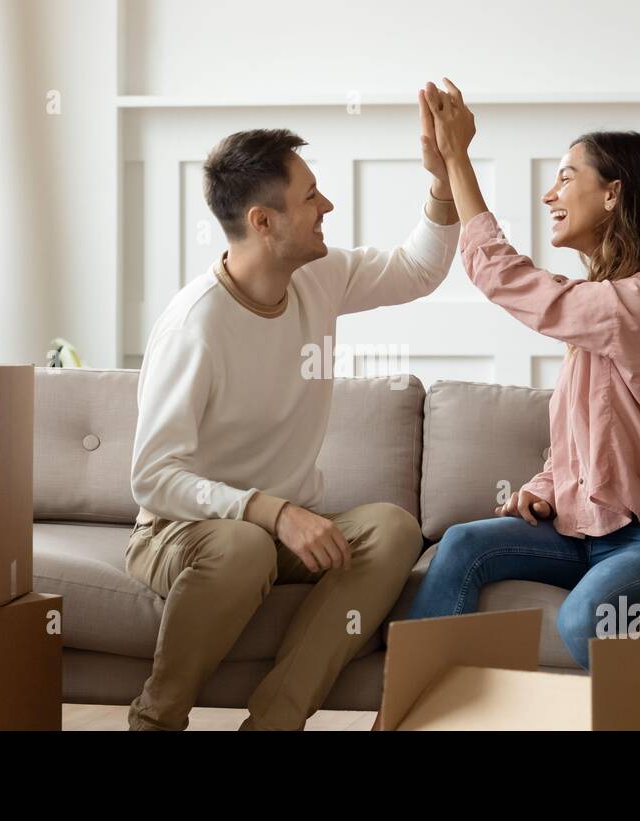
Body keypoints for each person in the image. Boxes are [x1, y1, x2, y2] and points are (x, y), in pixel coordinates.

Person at [127, 114, 460, 730]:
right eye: (310, 197)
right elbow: (152, 479)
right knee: (243, 545)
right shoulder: (195, 326)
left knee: (390, 528)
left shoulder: (318, 274)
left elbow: (419, 269)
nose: (326, 205)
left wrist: (443, 182)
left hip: (280, 531)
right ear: (263, 221)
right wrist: (272, 511)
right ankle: (155, 720)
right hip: (183, 531)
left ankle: (275, 722)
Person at [405, 79, 640, 671]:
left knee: (586, 619)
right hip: (582, 531)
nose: (549, 193)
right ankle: (409, 709)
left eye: (565, 176)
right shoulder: (606, 312)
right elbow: (587, 439)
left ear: (613, 194)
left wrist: (458, 160)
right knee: (462, 544)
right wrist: (545, 489)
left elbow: (506, 277)